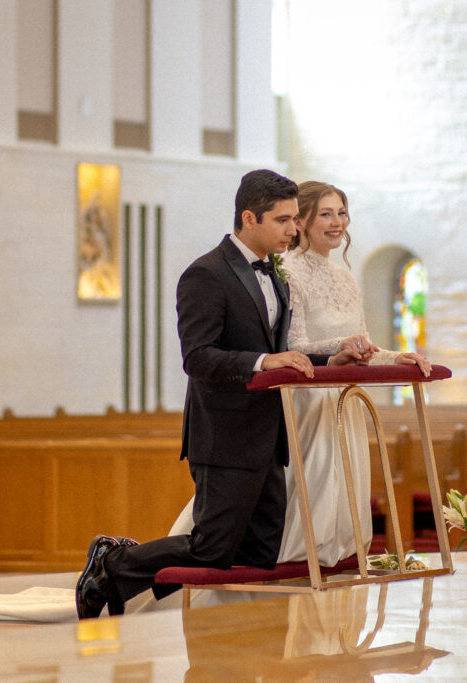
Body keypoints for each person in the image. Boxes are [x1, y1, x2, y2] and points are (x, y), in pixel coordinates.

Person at [75, 170, 362, 618]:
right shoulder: (205, 274)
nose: (293, 229)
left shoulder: (278, 277)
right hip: (225, 432)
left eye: (293, 219)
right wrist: (263, 362)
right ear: (250, 218)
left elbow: (283, 353)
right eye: (283, 220)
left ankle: (132, 575)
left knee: (261, 552)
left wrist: (330, 364)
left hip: (270, 433)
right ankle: (113, 562)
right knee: (212, 549)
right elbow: (199, 357)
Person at [167, 181, 431, 569]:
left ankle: (324, 595)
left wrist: (394, 357)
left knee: (300, 527)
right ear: (301, 222)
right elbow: (286, 347)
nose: (337, 222)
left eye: (342, 212)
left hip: (341, 399)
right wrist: (334, 348)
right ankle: (122, 562)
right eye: (324, 213)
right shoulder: (277, 271)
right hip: (297, 403)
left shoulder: (342, 277)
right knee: (237, 536)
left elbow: (360, 344)